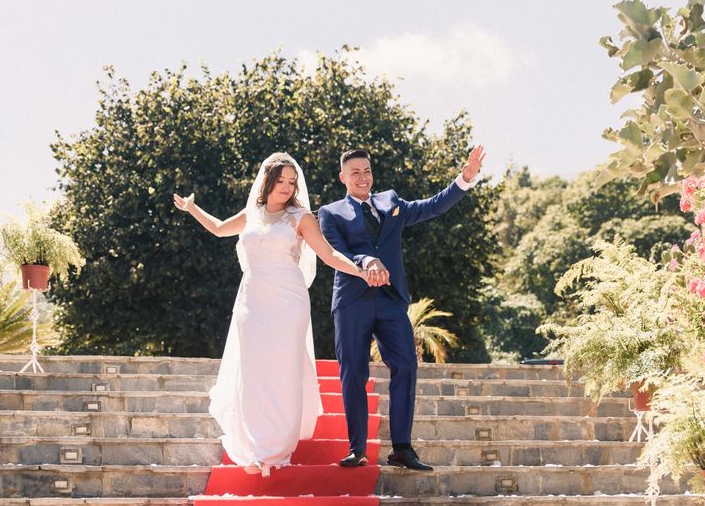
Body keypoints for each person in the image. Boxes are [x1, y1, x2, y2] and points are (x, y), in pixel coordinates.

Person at [173, 152, 373, 477]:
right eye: (280, 180)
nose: (286, 186)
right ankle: (255, 448)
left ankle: (275, 451)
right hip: (252, 301)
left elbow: (329, 254)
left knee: (282, 370)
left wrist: (361, 271)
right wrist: (192, 208)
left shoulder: (301, 217)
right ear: (267, 181)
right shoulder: (252, 213)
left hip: (289, 302)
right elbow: (220, 229)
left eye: (291, 181)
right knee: (254, 373)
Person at [318, 145, 485, 471]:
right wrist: (366, 259)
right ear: (343, 177)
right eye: (355, 172)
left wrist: (465, 178)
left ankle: (402, 449)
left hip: (392, 300)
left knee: (407, 365)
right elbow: (333, 252)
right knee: (354, 372)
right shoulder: (330, 212)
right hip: (352, 301)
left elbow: (432, 207)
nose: (362, 177)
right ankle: (358, 449)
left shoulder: (391, 202)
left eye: (366, 171)